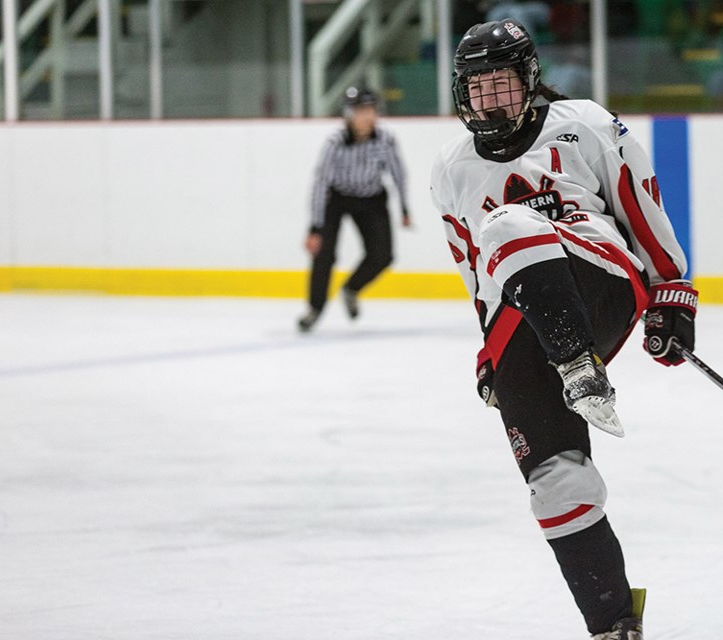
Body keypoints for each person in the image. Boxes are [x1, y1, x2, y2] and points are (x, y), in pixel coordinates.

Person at [429, 19, 696, 639]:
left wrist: (674, 299)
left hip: (598, 280)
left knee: (508, 226)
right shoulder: (451, 169)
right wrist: (487, 353)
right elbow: (477, 276)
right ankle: (613, 624)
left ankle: (582, 368)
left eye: (501, 84)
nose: (490, 100)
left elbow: (641, 209)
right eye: (477, 88)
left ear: (529, 80)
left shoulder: (586, 126)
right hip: (524, 317)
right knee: (555, 482)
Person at [298, 86, 411, 332]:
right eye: (361, 111)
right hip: (337, 198)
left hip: (371, 198)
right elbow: (320, 182)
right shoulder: (335, 142)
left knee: (383, 256)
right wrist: (315, 227)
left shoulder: (385, 139)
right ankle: (314, 309)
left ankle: (351, 289)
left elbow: (398, 172)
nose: (367, 117)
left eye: (371, 110)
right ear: (349, 114)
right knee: (324, 254)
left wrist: (404, 208)